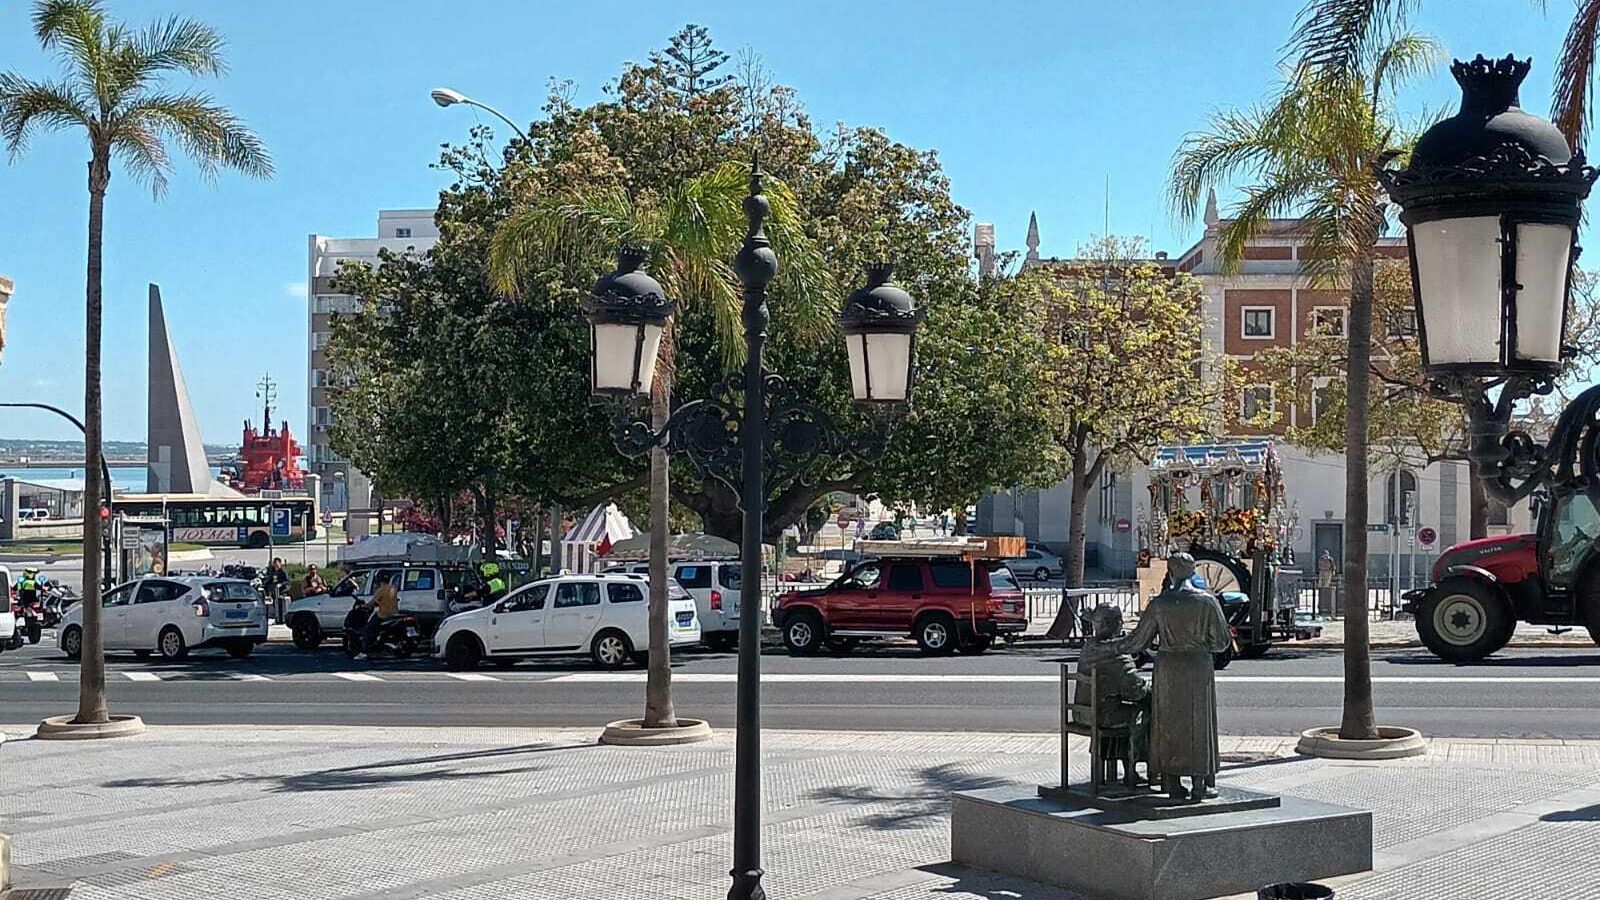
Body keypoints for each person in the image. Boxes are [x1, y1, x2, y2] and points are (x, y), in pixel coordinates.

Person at [1116, 553, 1231, 802]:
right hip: (1198, 667)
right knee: (1198, 722)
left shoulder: (1160, 603)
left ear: (1169, 571)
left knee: (1168, 721)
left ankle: (1172, 780)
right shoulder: (1207, 602)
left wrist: (1108, 646)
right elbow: (1222, 643)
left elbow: (1137, 641)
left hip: (1168, 666)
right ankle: (1200, 782)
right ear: (1192, 571)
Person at [362, 574, 399, 658]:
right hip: (394, 614)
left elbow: (372, 602)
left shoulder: (381, 589)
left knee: (368, 630)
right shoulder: (393, 588)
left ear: (379, 581)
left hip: (383, 614)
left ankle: (365, 651)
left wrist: (364, 606)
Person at [264, 558, 290, 623]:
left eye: (277, 563)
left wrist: (281, 584)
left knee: (280, 603)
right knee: (274, 603)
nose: (275, 565)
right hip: (274, 590)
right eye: (274, 563)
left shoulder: (283, 571)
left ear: (280, 563)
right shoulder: (272, 571)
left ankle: (282, 617)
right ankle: (277, 616)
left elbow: (287, 581)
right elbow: (270, 580)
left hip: (282, 590)